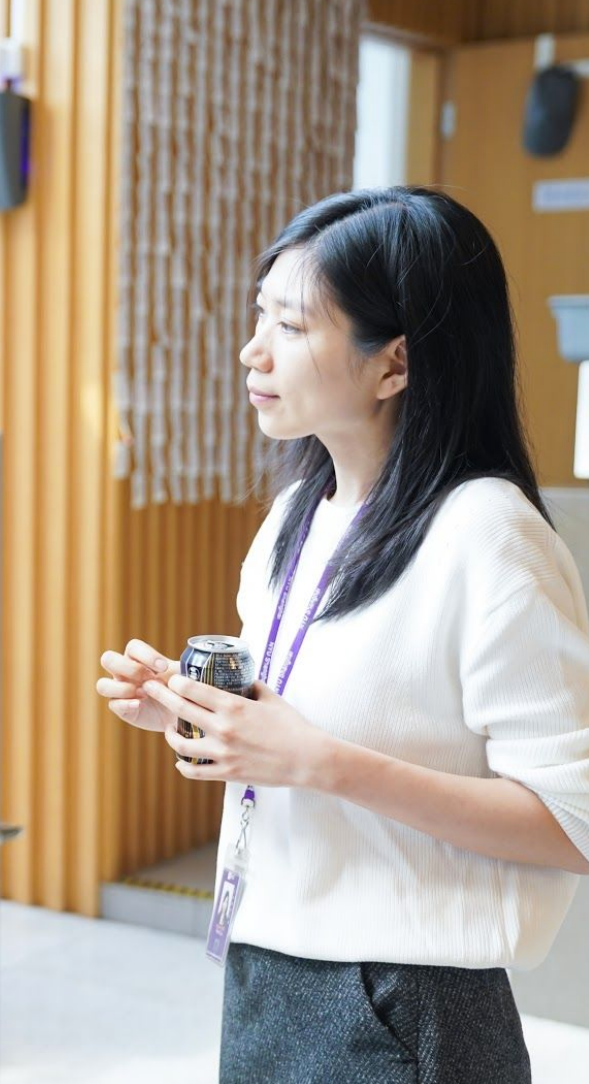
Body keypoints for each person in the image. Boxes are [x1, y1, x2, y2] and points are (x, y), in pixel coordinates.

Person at [96, 187, 589, 1082]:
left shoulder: (488, 536)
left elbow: (571, 823)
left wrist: (318, 761)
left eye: (289, 325)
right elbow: (302, 722)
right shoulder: (297, 514)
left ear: (393, 363)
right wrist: (196, 713)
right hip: (265, 968)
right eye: (260, 316)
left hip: (407, 998)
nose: (252, 351)